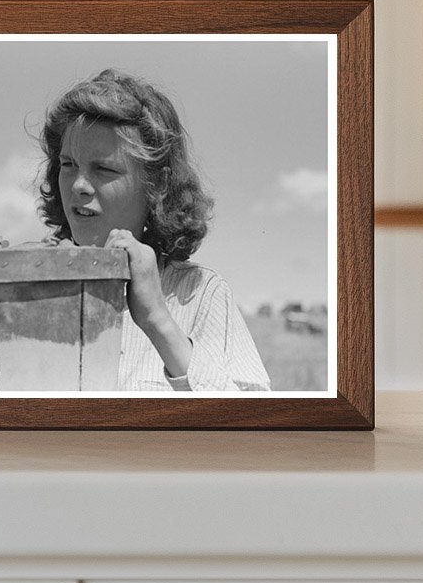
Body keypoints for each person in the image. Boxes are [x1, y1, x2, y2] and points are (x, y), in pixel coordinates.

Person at [35, 68, 270, 392]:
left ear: (156, 184)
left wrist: (157, 320)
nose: (78, 185)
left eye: (103, 168)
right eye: (68, 165)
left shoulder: (200, 294)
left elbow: (255, 432)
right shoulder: (27, 286)